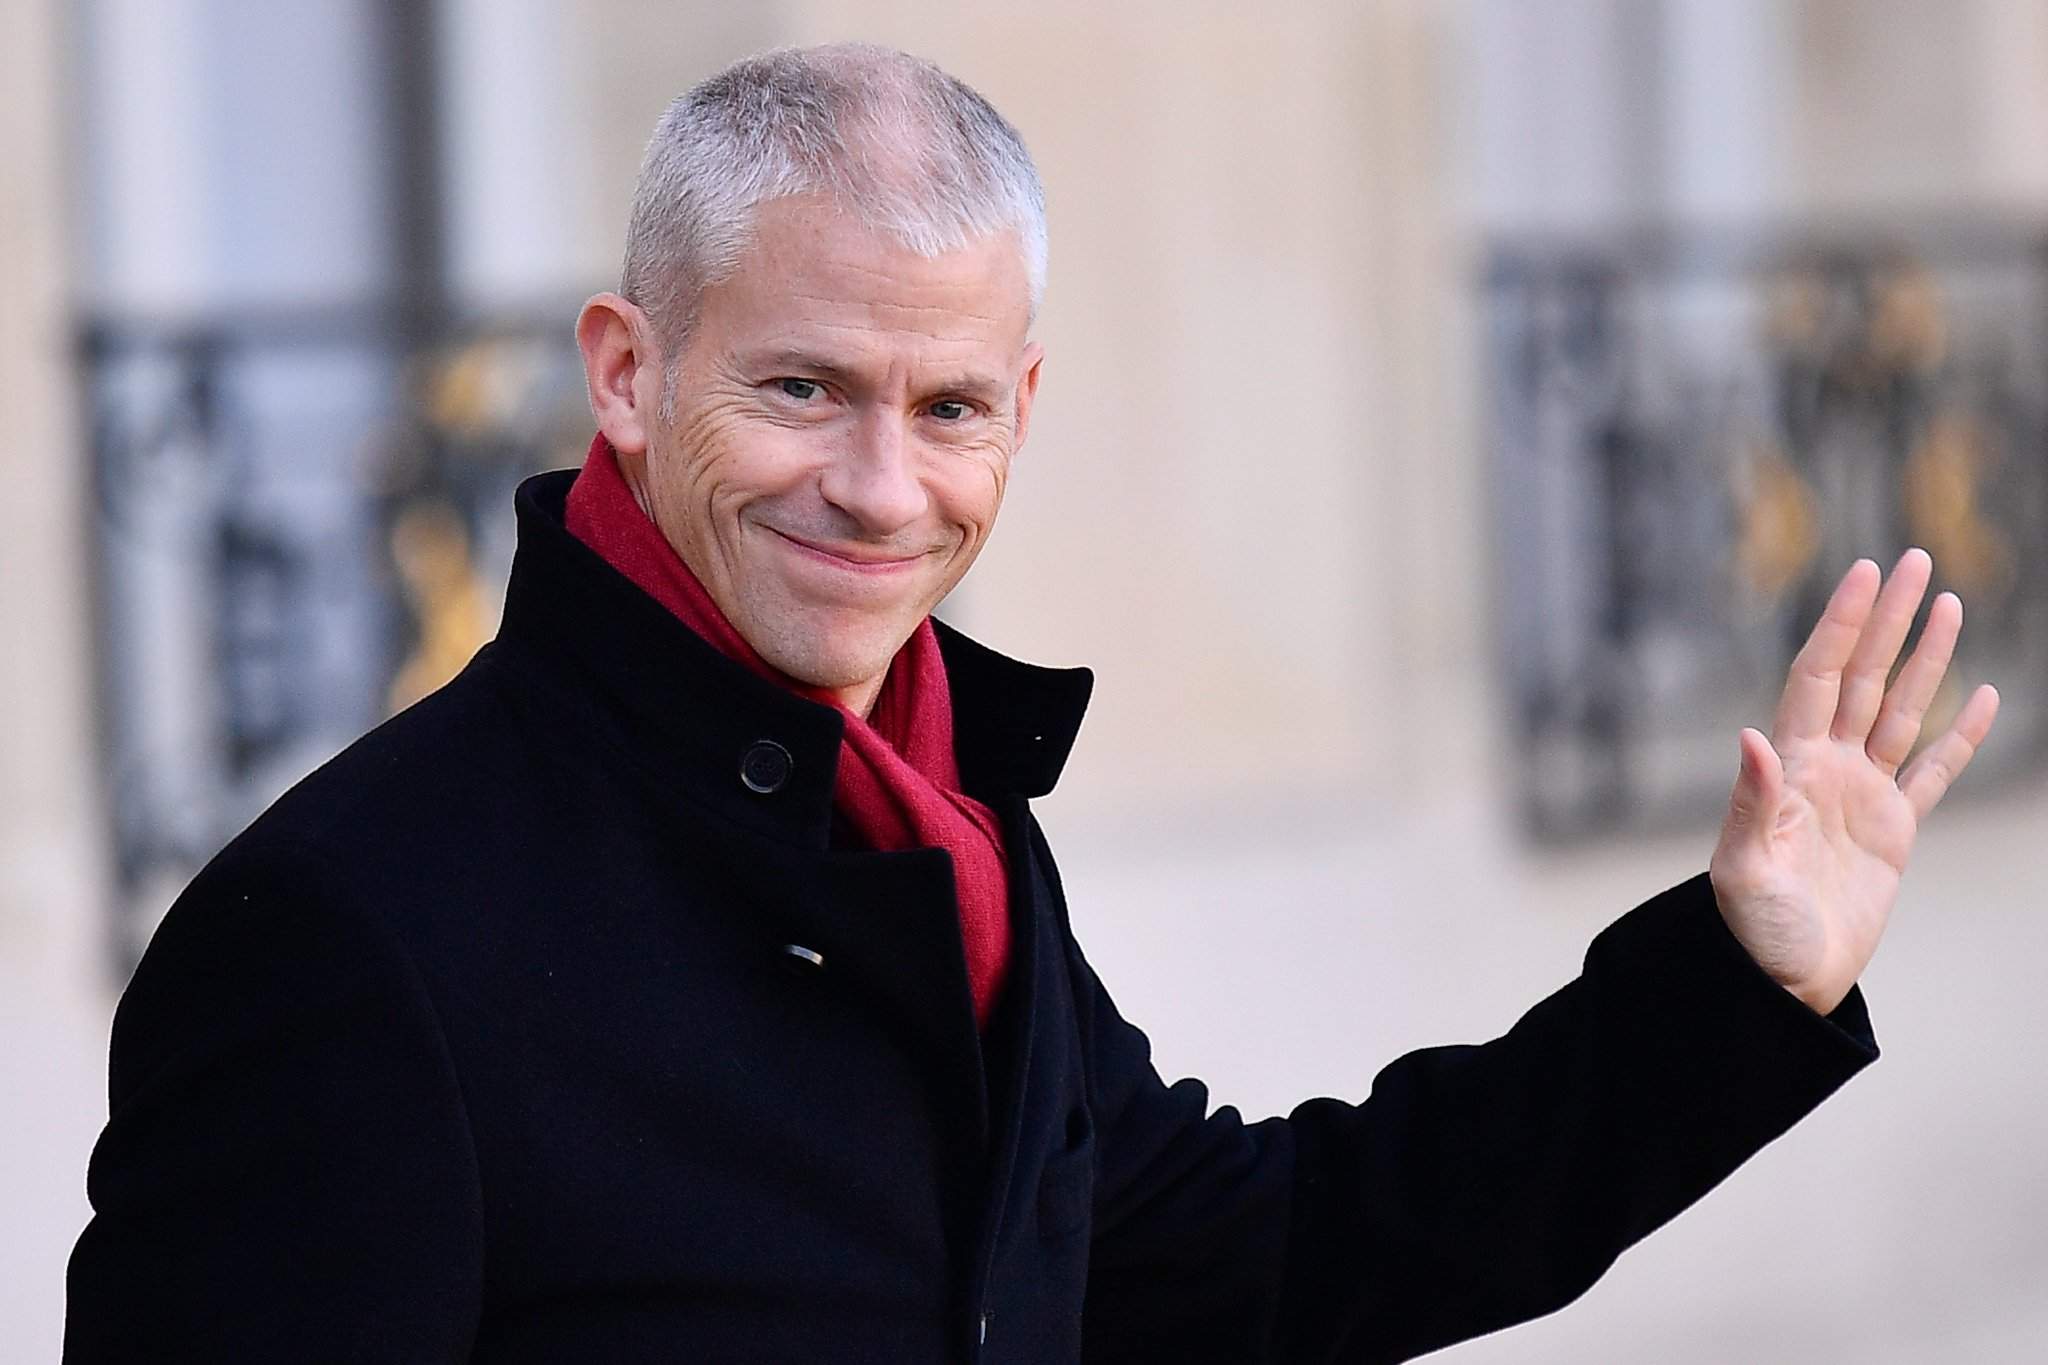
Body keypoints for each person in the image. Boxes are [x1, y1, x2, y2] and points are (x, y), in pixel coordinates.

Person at [64, 43, 2000, 1365]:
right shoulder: (344, 932)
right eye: (803, 388)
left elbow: (1253, 1262)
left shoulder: (950, 832)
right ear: (629, 375)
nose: (881, 487)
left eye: (950, 407)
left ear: (1023, 410)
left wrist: (1735, 982)